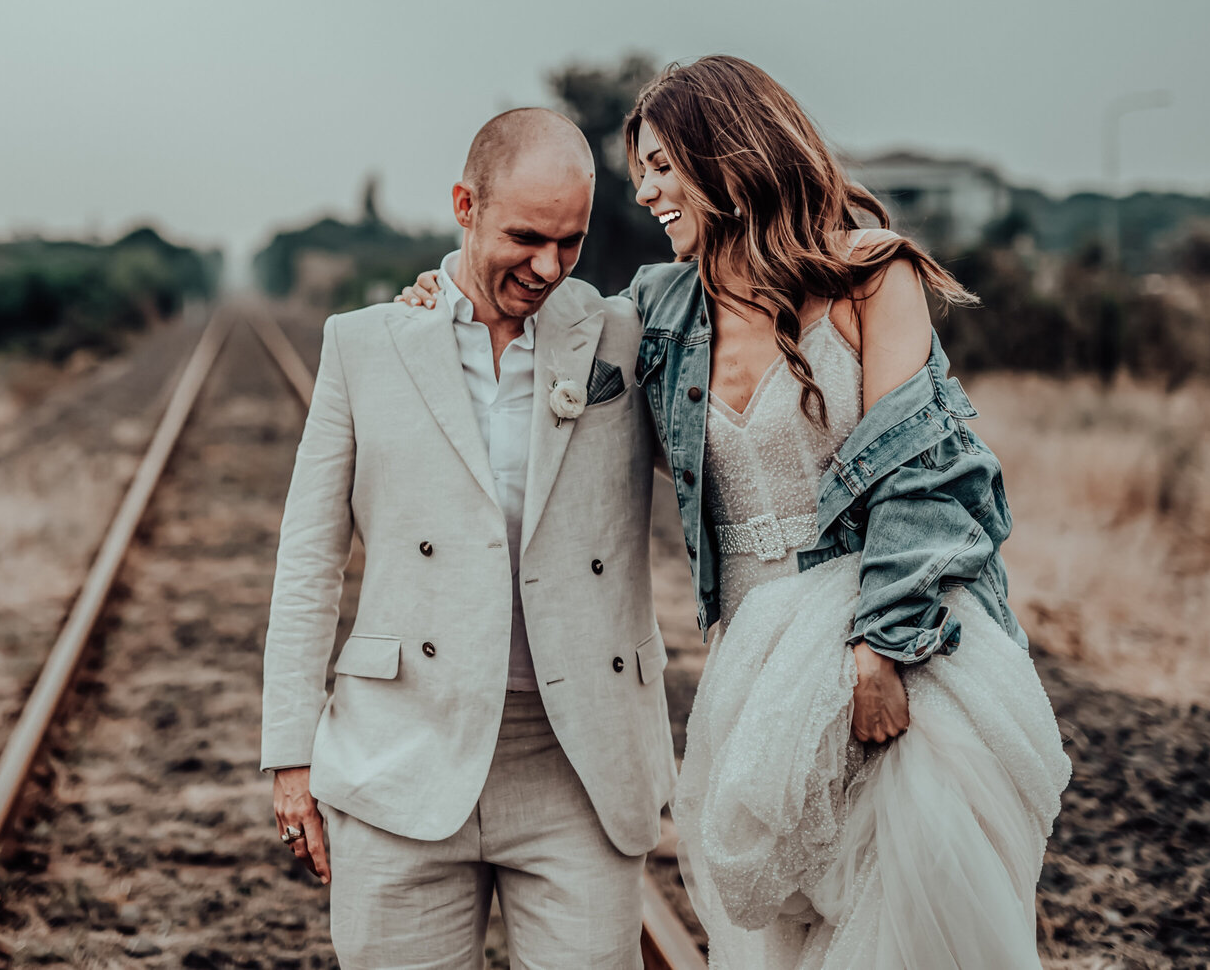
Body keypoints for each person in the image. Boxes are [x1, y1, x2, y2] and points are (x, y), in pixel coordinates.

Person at [403, 56, 1071, 967]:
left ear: (730, 153)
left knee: (897, 921)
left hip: (894, 636)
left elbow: (927, 475)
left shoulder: (871, 277)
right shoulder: (658, 307)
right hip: (754, 663)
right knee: (782, 928)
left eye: (663, 165)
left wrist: (882, 645)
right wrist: (440, 295)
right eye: (640, 170)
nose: (646, 191)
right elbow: (530, 330)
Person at [261, 107, 675, 970]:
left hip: (578, 766)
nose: (548, 267)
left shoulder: (621, 339)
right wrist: (291, 757)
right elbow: (309, 559)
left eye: (570, 242)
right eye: (525, 236)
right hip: (400, 755)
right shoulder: (362, 346)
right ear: (465, 204)